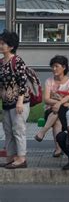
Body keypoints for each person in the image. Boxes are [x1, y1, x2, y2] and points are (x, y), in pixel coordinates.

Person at [34, 55, 69, 158]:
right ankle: (58, 149)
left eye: (56, 66)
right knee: (56, 118)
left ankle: (43, 132)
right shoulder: (49, 81)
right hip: (51, 111)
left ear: (64, 67)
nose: (54, 69)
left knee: (58, 111)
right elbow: (46, 99)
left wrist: (58, 102)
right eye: (52, 66)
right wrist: (61, 102)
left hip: (67, 111)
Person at [0, 30, 29, 169]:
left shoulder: (17, 61)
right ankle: (10, 157)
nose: (0, 45)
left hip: (19, 102)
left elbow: (23, 82)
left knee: (18, 130)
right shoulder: (1, 62)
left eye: (3, 43)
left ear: (11, 46)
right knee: (8, 130)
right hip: (6, 102)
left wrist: (20, 101)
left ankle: (21, 158)